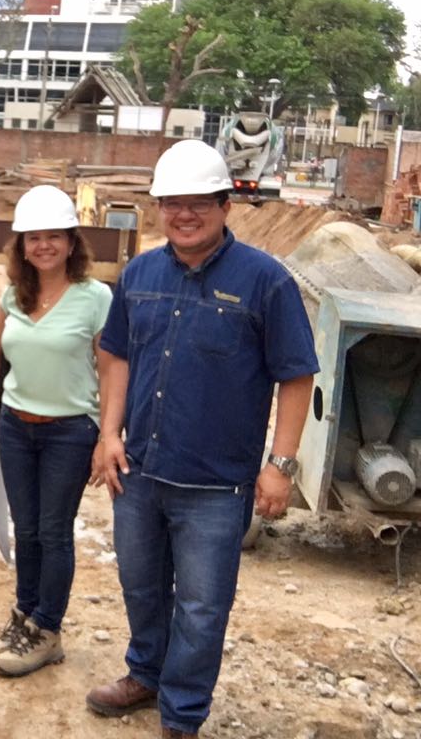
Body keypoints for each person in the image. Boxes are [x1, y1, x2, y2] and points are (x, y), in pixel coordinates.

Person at [87, 140, 317, 739]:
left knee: (201, 606)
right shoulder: (139, 274)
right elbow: (115, 356)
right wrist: (109, 433)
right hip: (139, 472)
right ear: (159, 208)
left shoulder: (265, 281)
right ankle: (146, 673)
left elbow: (296, 374)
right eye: (172, 203)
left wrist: (280, 465)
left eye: (198, 204)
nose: (184, 215)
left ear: (224, 206)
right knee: (141, 586)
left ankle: (182, 714)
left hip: (216, 486)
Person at [0, 185, 112, 677]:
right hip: (15, 427)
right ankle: (25, 616)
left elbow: (111, 368)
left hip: (69, 433)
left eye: (54, 236)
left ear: (72, 243)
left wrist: (108, 434)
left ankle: (47, 630)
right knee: (26, 529)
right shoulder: (14, 295)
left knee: (53, 531)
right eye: (34, 237)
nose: (44, 245)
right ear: (22, 246)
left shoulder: (96, 298)